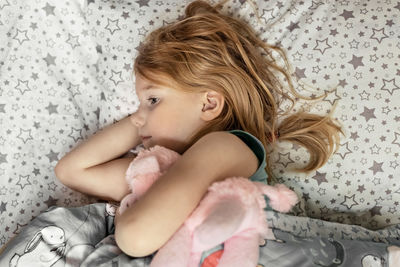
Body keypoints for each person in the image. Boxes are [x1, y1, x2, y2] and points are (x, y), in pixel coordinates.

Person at [54, 0, 341, 259]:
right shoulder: (156, 170)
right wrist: (140, 119)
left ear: (209, 104)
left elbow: (136, 237)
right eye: (139, 104)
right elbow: (71, 171)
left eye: (153, 100)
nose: (138, 116)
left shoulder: (227, 146)